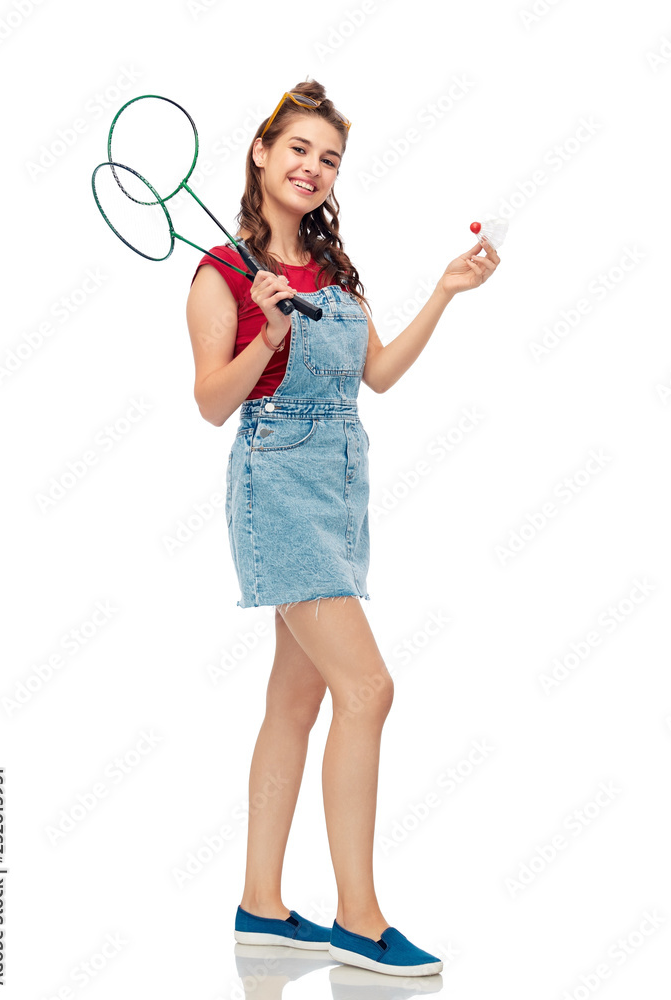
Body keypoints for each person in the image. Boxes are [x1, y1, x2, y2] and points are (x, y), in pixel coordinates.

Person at [186, 80, 500, 978]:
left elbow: (379, 374)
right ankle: (358, 920)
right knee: (368, 688)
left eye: (328, 158)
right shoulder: (219, 273)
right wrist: (264, 332)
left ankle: (260, 904)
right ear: (260, 151)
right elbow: (210, 403)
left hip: (341, 486)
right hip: (277, 484)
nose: (312, 168)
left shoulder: (333, 267)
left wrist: (444, 291)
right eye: (298, 148)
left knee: (297, 702)